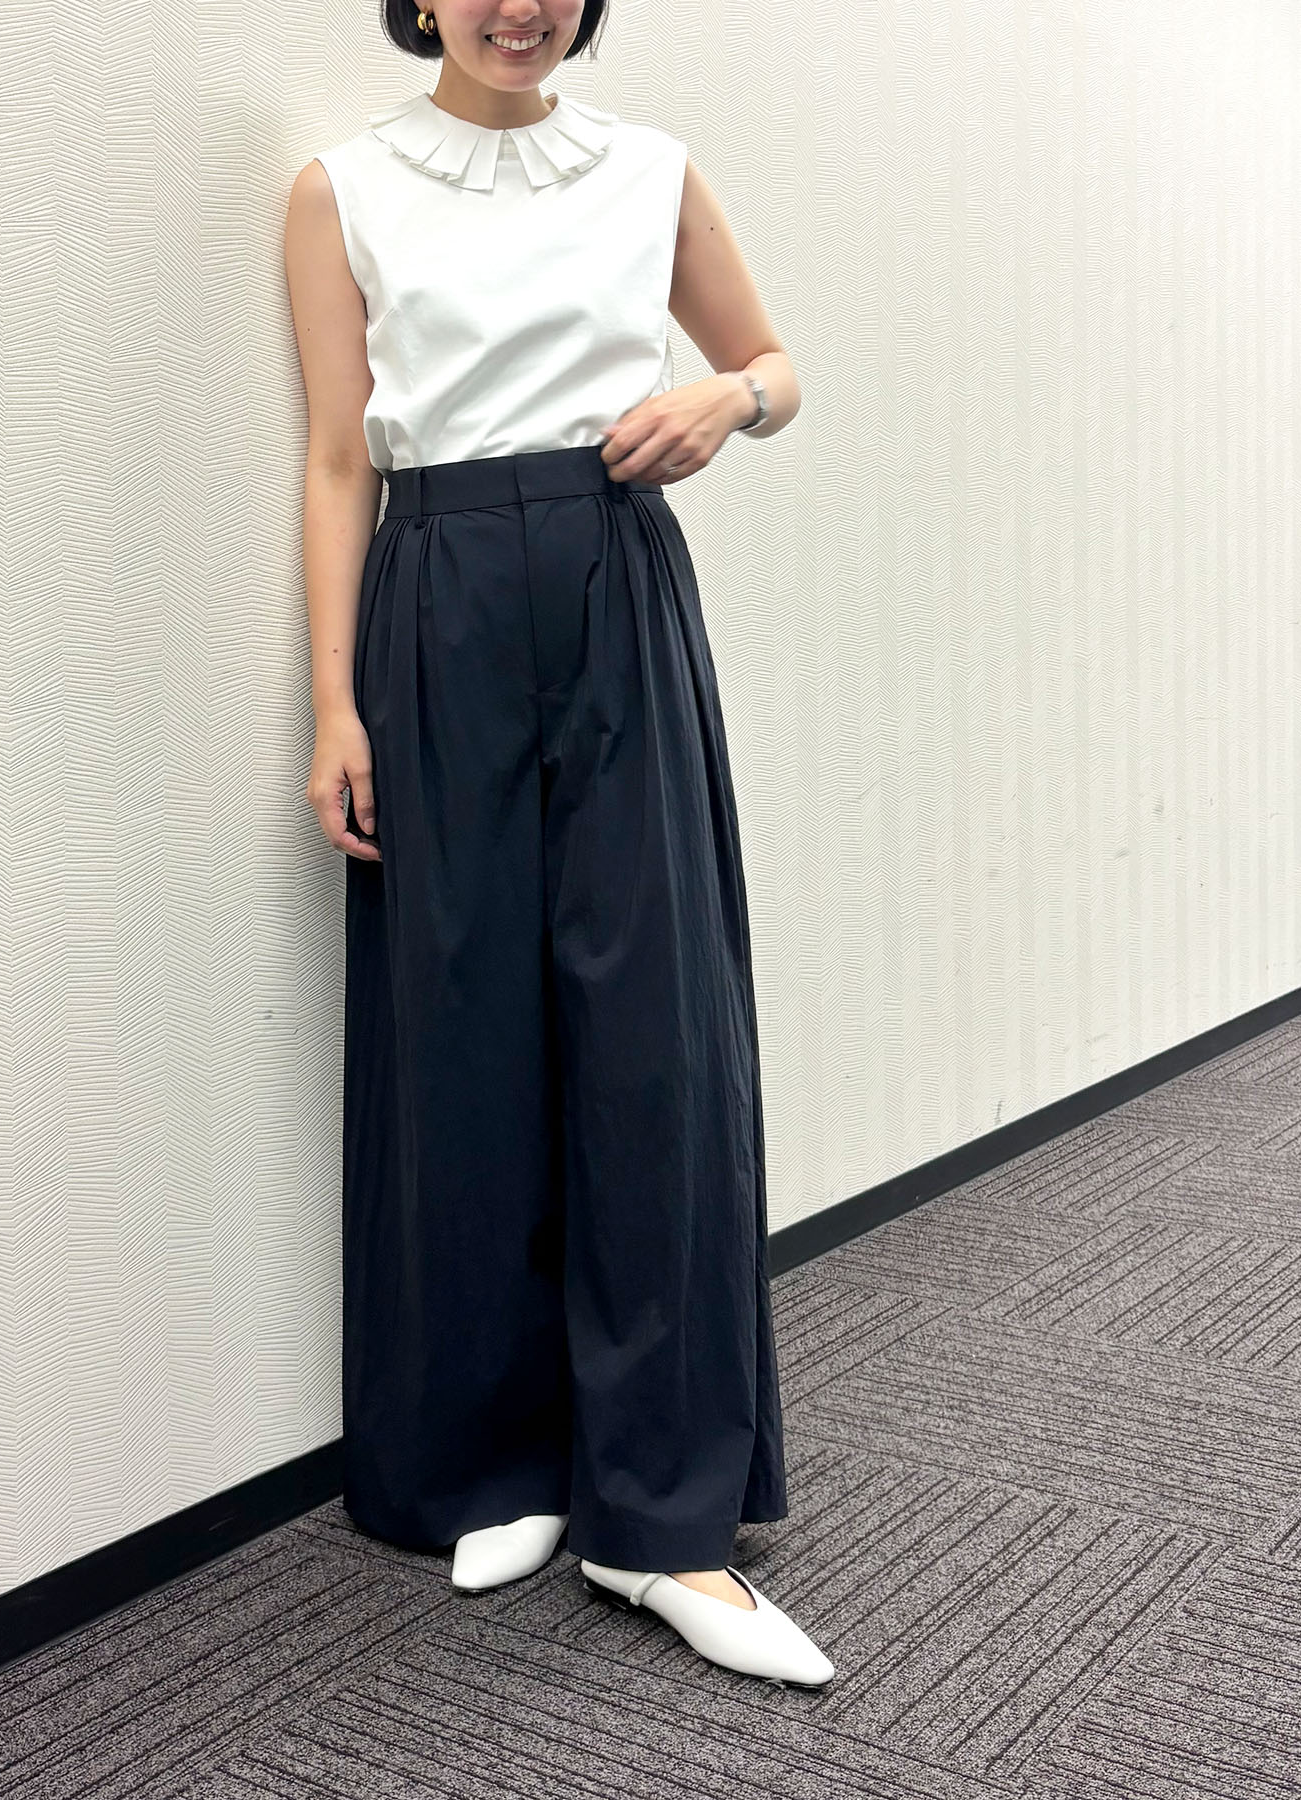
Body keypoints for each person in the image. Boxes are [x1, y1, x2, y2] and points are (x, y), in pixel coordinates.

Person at [284, 0, 834, 1688]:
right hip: (435, 598)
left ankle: (661, 1516)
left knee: (655, 1038)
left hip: (615, 578)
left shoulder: (650, 172)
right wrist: (334, 705)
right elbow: (335, 457)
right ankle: (499, 1461)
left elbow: (778, 366)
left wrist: (725, 403)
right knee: (462, 1032)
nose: (520, 4)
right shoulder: (340, 189)